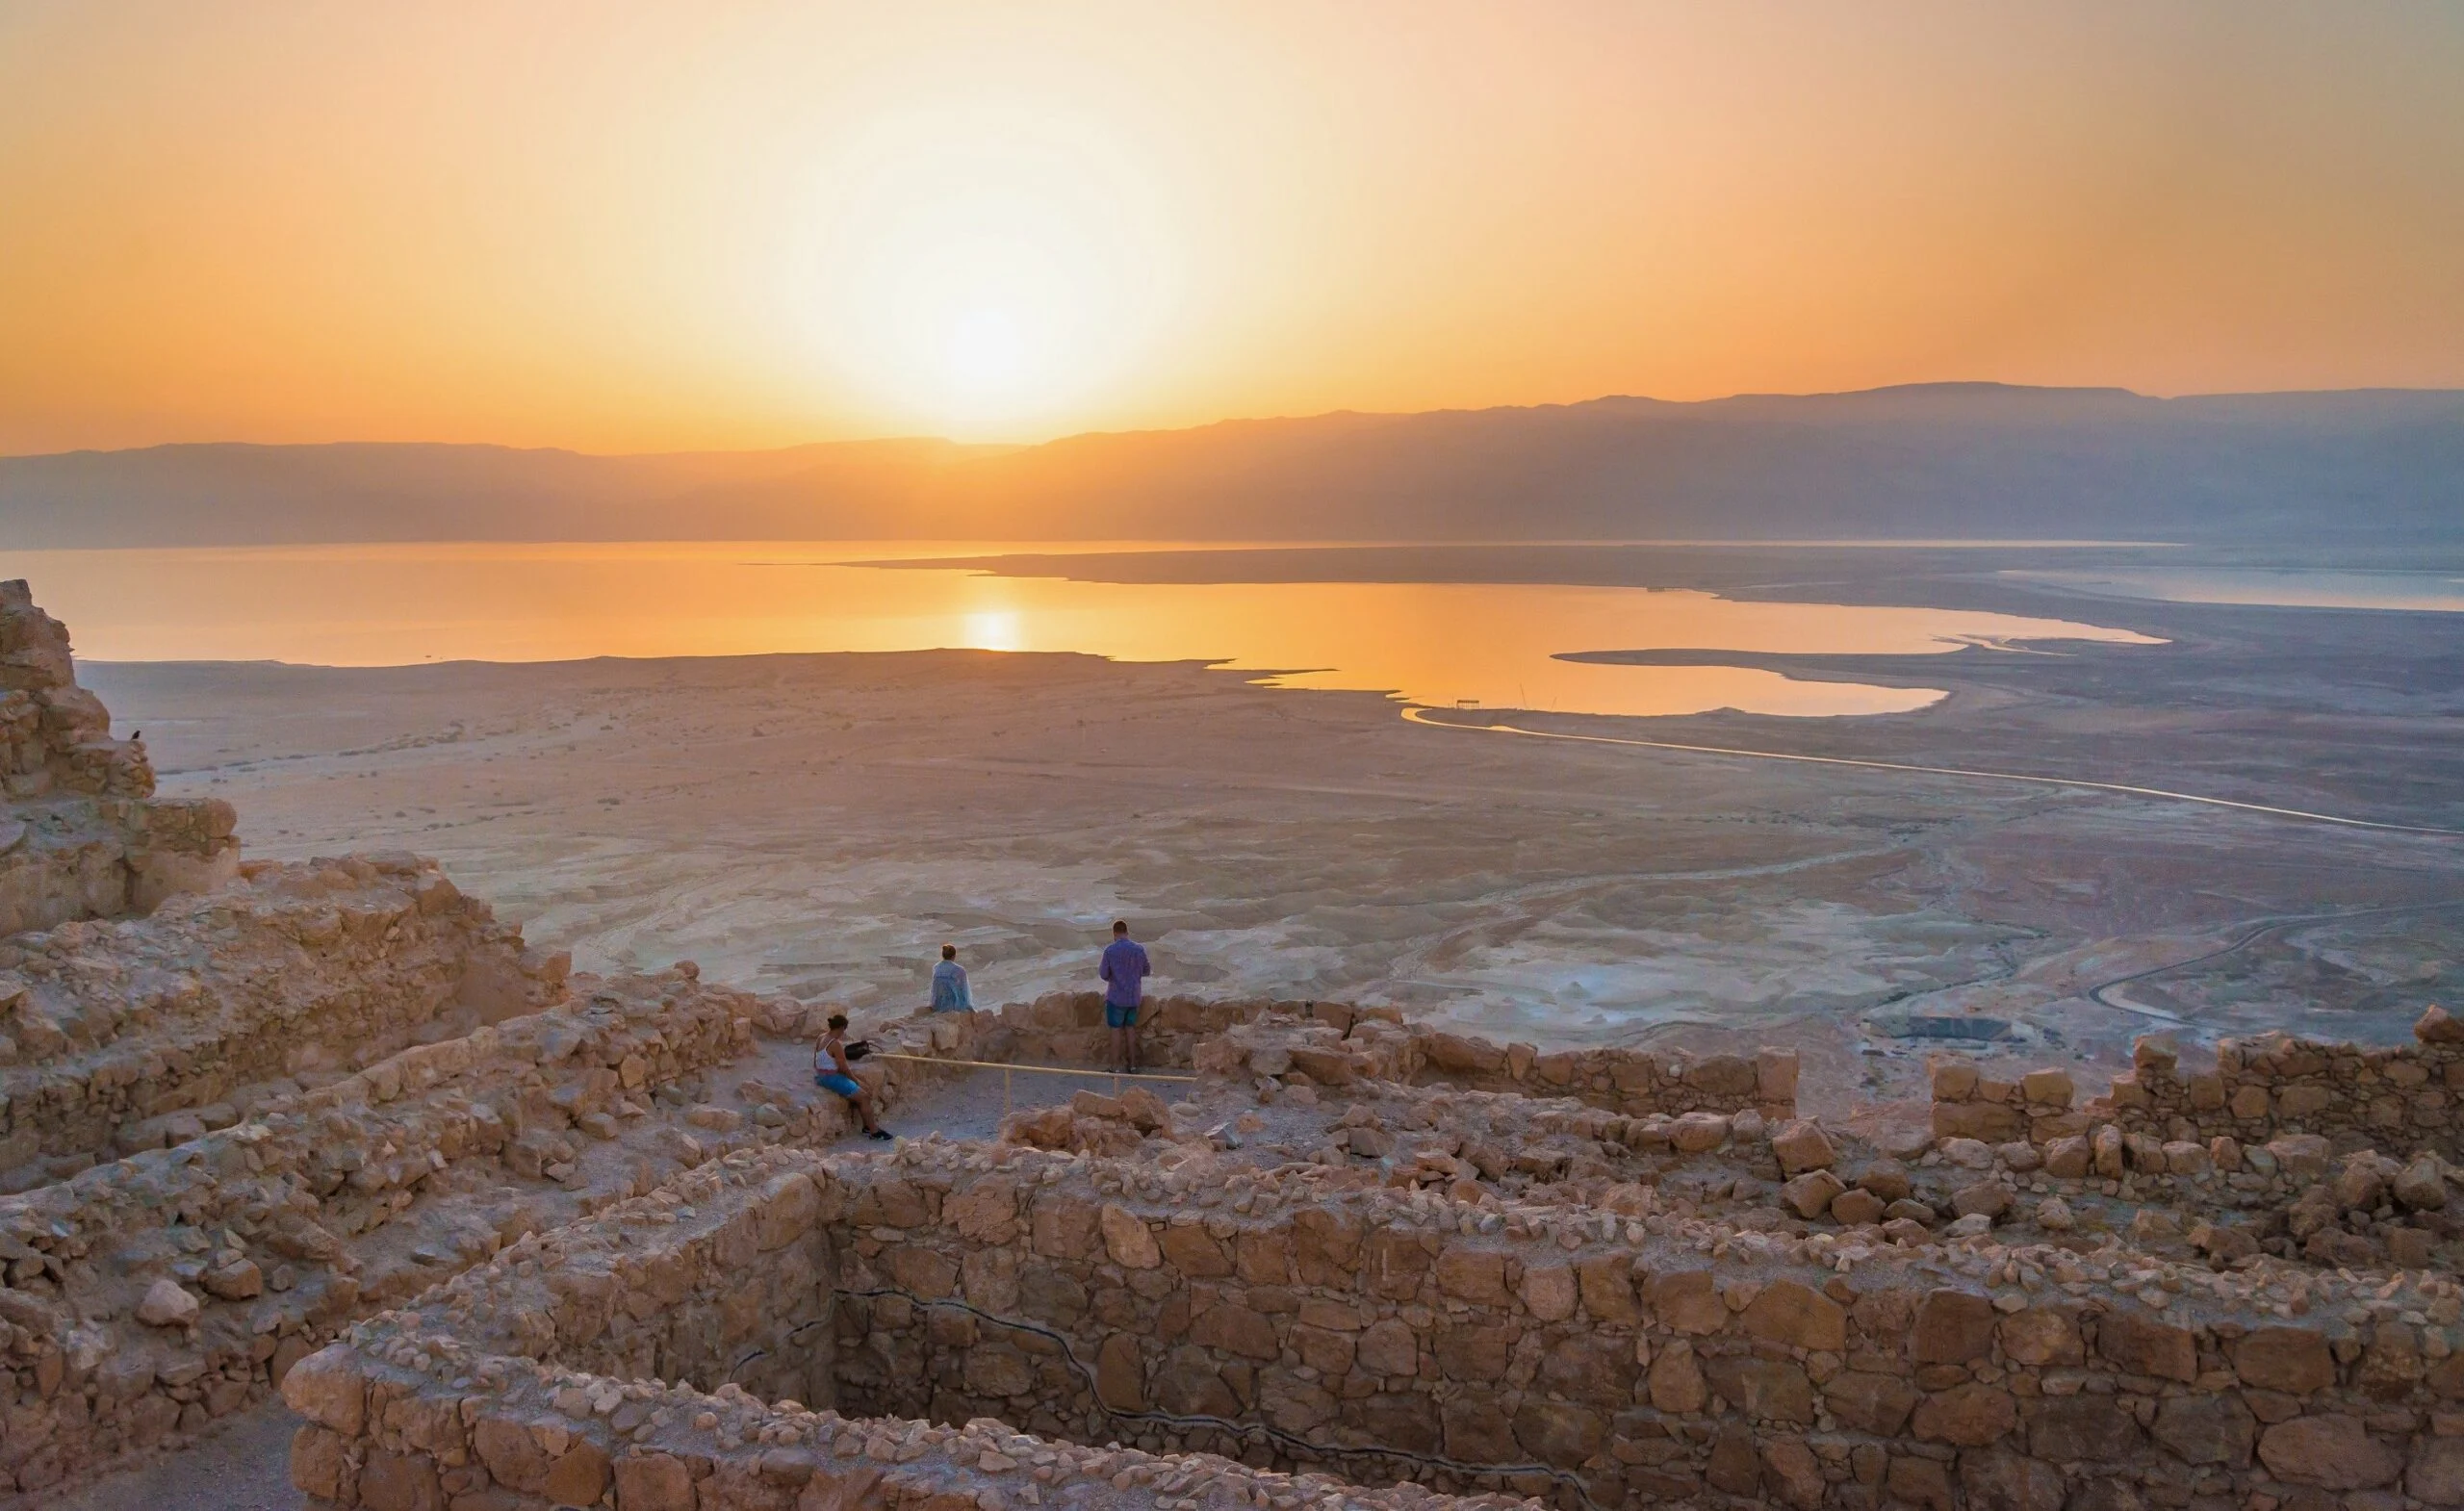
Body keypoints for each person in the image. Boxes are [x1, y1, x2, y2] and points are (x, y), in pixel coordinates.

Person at [815, 1013, 891, 1140]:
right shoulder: (835, 1044)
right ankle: (874, 1131)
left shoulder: (820, 1037)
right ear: (841, 1028)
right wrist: (857, 1081)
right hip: (831, 1078)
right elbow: (844, 1068)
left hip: (821, 1075)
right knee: (865, 1097)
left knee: (860, 1094)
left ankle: (867, 1126)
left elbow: (816, 1061)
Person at [1098, 919, 1152, 1074]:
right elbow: (1147, 970)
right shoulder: (1139, 949)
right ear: (1127, 932)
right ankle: (1133, 1065)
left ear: (1114, 933)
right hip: (1134, 997)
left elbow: (1103, 974)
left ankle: (1115, 1067)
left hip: (1116, 997)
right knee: (1130, 1030)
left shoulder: (1110, 951)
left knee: (1115, 1031)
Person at [930, 943, 971, 1012]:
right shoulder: (959, 970)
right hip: (954, 1005)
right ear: (954, 956)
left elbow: (934, 988)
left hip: (938, 1003)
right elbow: (965, 990)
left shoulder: (936, 967)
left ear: (943, 955)